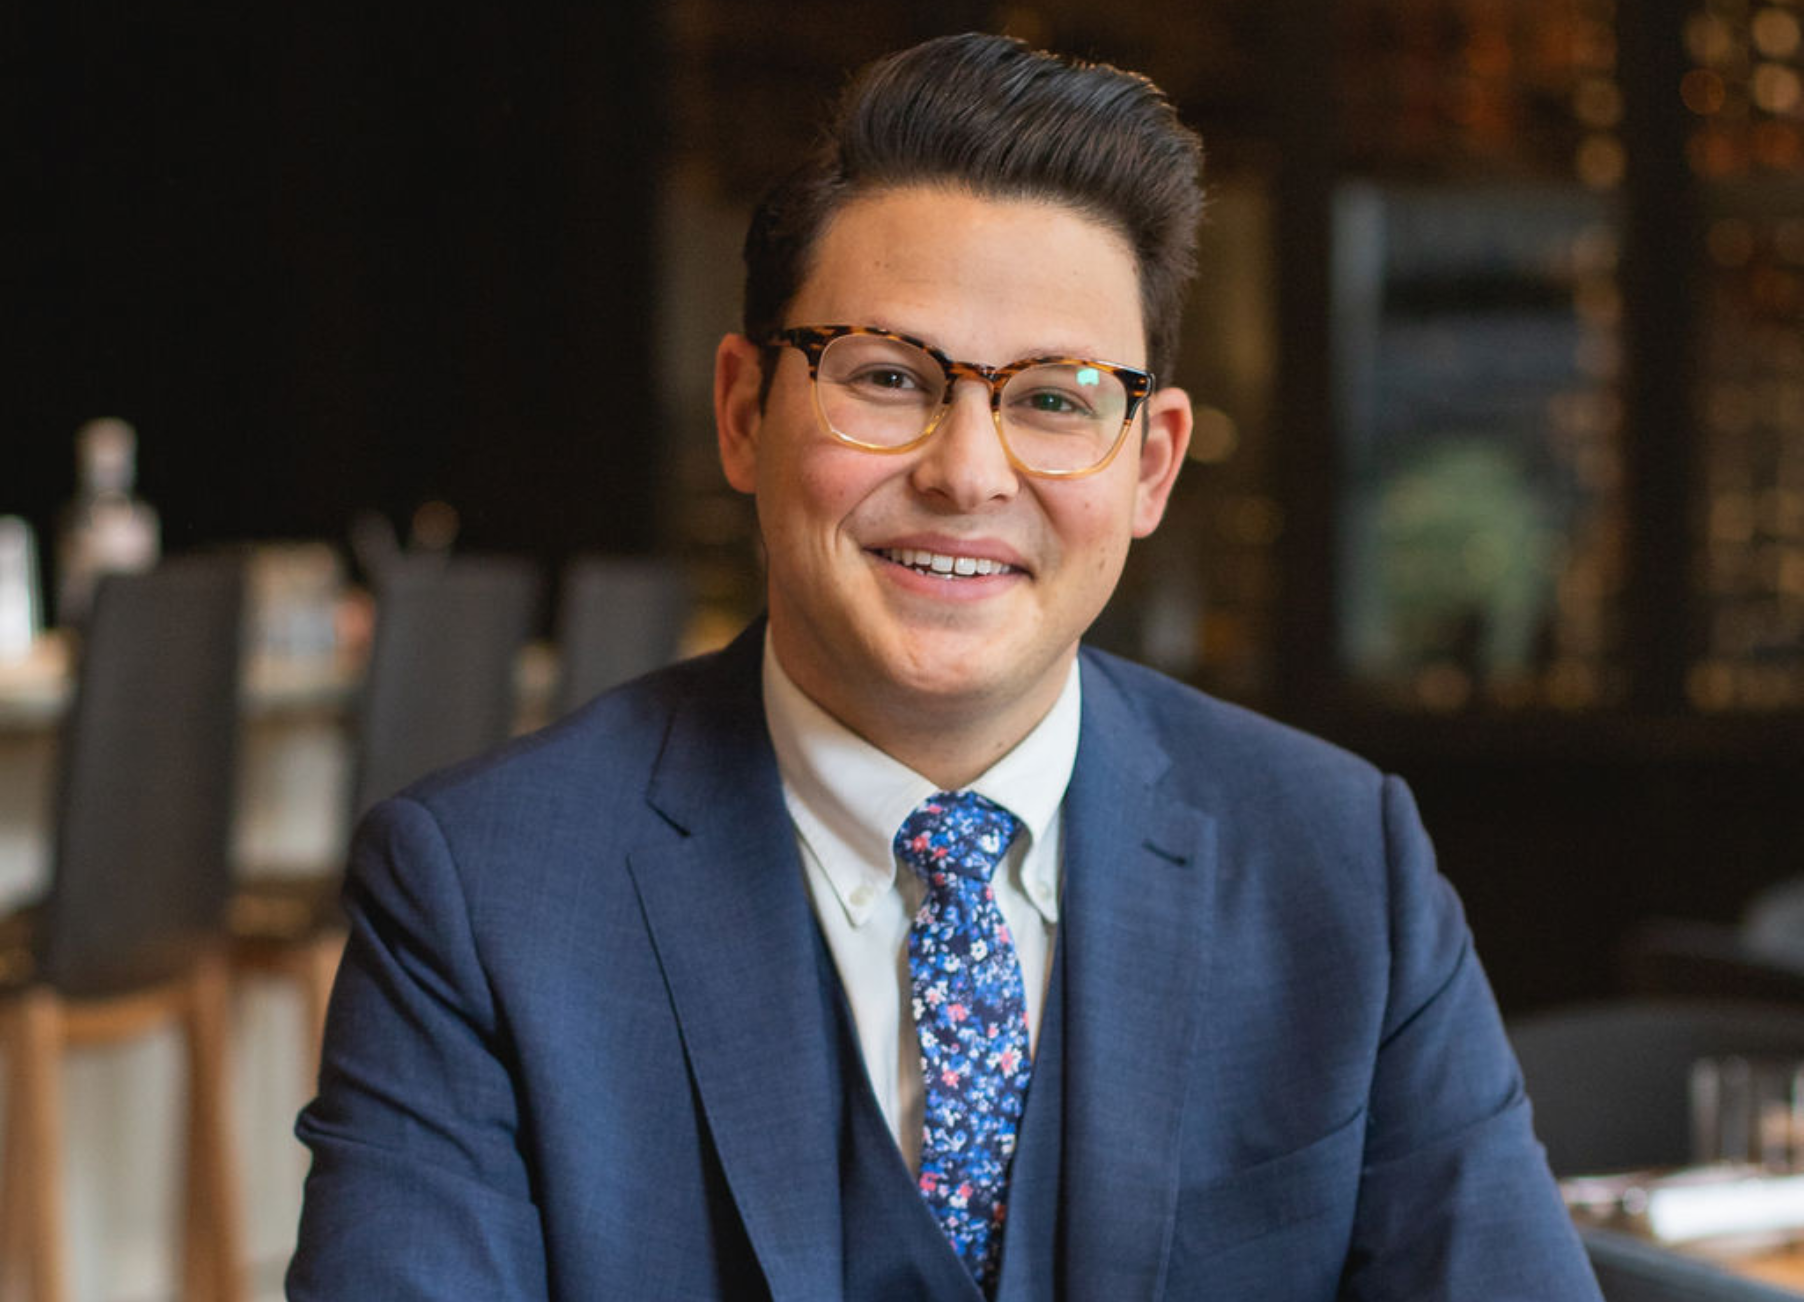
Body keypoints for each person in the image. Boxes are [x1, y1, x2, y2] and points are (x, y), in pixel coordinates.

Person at [288, 31, 1601, 1301]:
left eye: (1054, 397)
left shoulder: (1340, 867)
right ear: (745, 411)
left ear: (1150, 463)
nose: (966, 472)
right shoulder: (482, 896)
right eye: (886, 377)